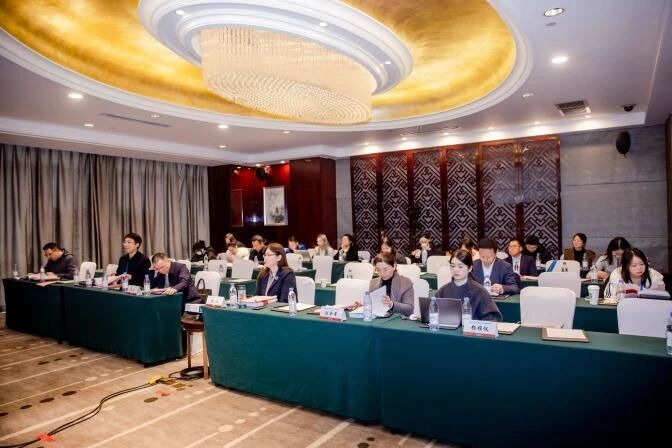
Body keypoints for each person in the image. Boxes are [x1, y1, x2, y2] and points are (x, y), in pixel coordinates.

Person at [436, 249, 502, 321]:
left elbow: (492, 317)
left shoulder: (480, 291)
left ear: (470, 268)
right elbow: (433, 313)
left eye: (460, 266)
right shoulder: (443, 291)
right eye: (452, 266)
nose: (455, 270)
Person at [368, 252, 414, 316]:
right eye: (378, 270)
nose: (382, 273)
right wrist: (363, 305)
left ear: (394, 266)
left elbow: (410, 309)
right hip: (378, 318)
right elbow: (373, 305)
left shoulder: (405, 282)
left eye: (385, 269)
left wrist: (392, 304)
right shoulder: (373, 282)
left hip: (398, 320)